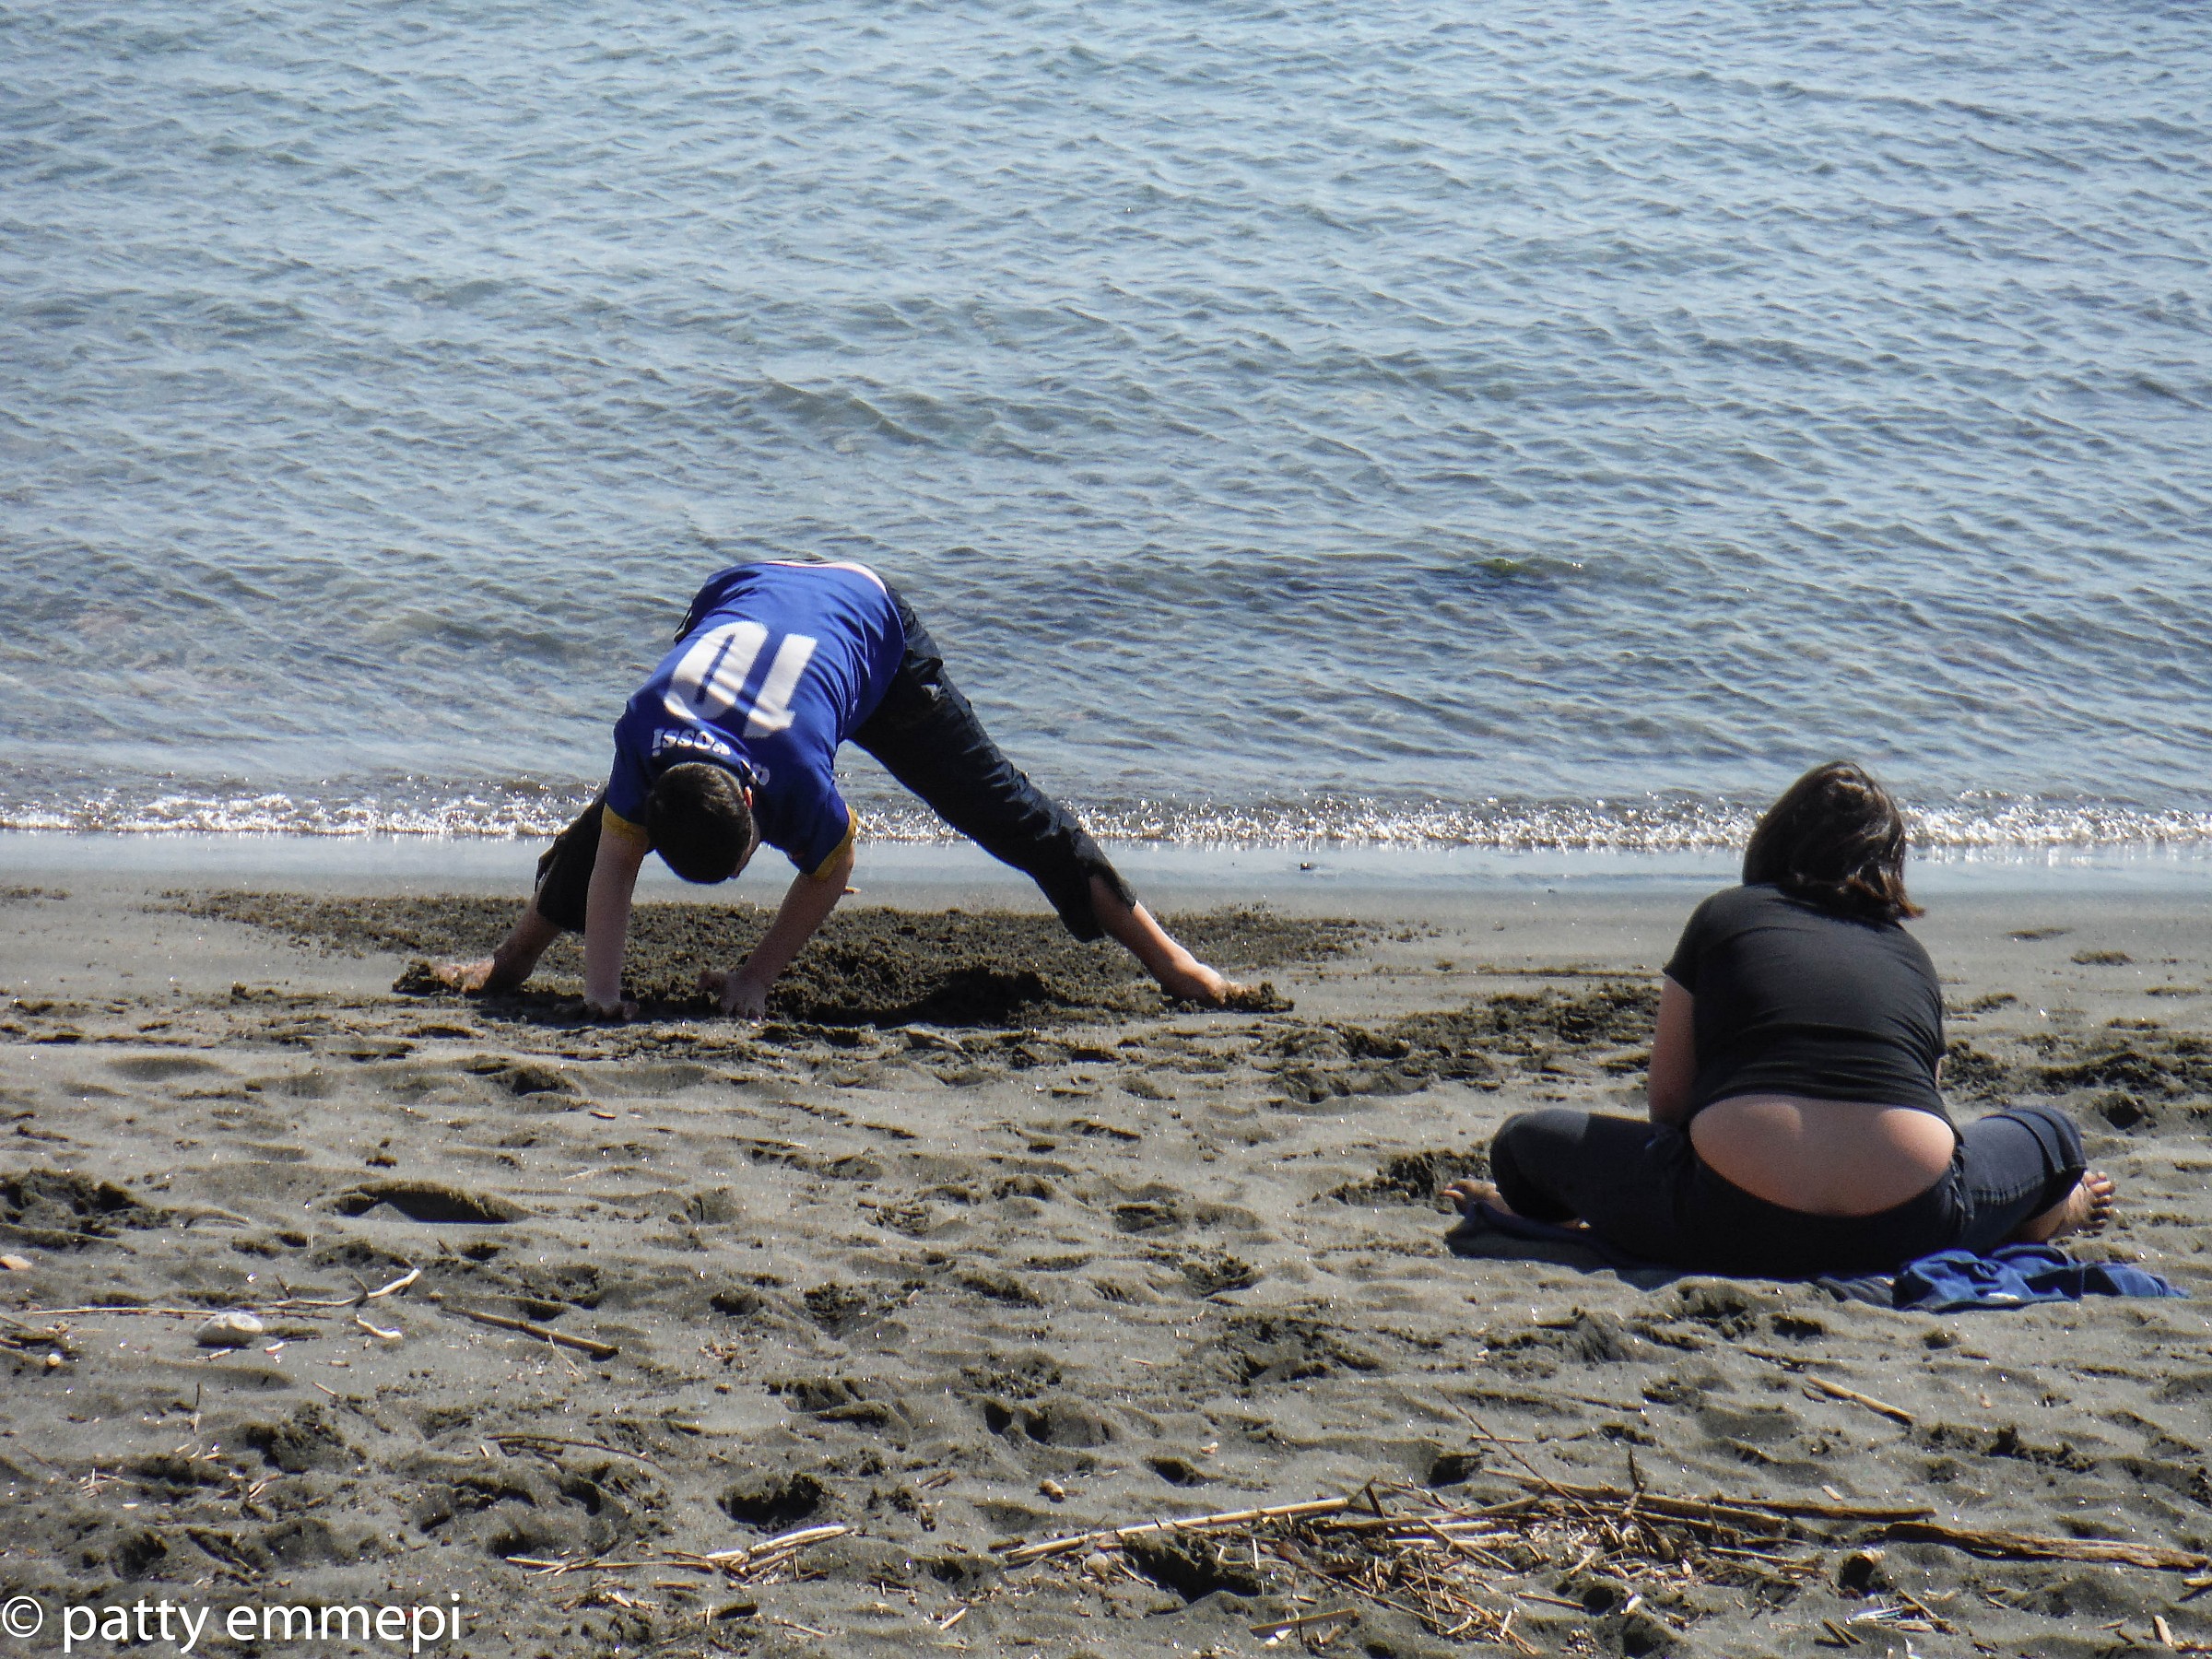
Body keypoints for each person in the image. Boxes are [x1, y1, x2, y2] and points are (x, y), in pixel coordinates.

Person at [437, 559, 1249, 1018]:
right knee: (616, 817)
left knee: (1001, 808)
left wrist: (755, 977)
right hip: (743, 591)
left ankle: (1177, 964)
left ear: (754, 806)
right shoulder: (646, 727)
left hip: (870, 629)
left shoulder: (798, 780)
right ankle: (513, 958)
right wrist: (601, 999)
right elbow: (617, 851)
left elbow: (831, 872)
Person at [1445, 760, 2113, 1277]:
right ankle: (2049, 1212)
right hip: (1911, 1226)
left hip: (1726, 1217)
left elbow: (1670, 1105)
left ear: (1774, 840)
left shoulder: (1725, 915)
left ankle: (1559, 1215)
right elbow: (1923, 1103)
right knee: (2054, 1135)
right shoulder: (1909, 954)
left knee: (1524, 1144)